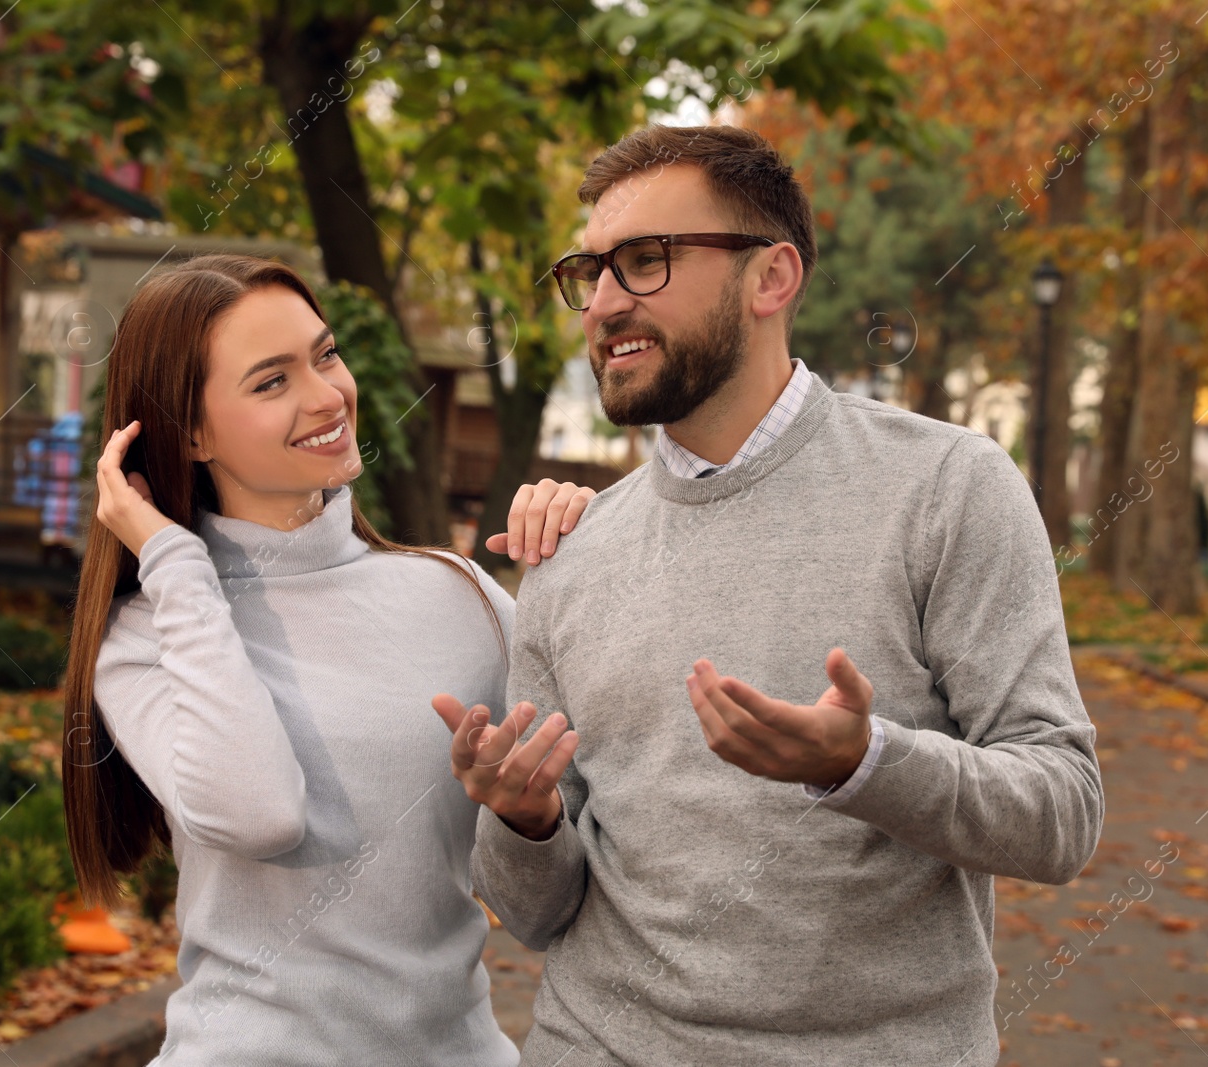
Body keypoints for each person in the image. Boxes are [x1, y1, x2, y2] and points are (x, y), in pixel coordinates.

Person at [434, 125, 1105, 1066]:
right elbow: (539, 917)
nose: (604, 302)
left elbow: (1062, 814)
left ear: (771, 278)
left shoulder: (948, 486)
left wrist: (865, 761)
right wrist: (522, 818)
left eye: (645, 261)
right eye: (590, 272)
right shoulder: (570, 555)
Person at [60, 253, 594, 1066]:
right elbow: (259, 812)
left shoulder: (459, 596)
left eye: (326, 354)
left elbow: (558, 898)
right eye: (271, 381)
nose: (326, 395)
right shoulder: (150, 633)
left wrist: (606, 560)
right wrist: (173, 559)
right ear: (191, 431)